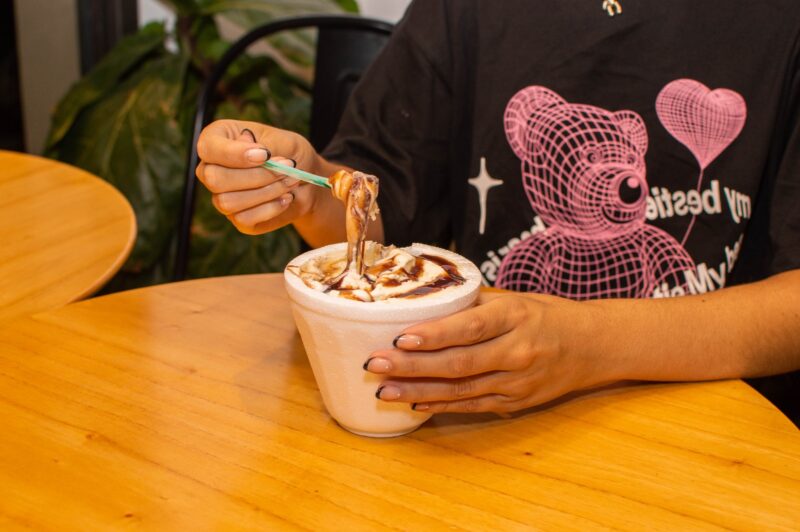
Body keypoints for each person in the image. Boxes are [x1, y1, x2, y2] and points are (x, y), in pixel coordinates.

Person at [195, 0, 800, 419]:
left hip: (712, 431)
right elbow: (384, 210)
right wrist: (308, 188)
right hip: (487, 427)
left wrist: (588, 344)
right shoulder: (468, 11)